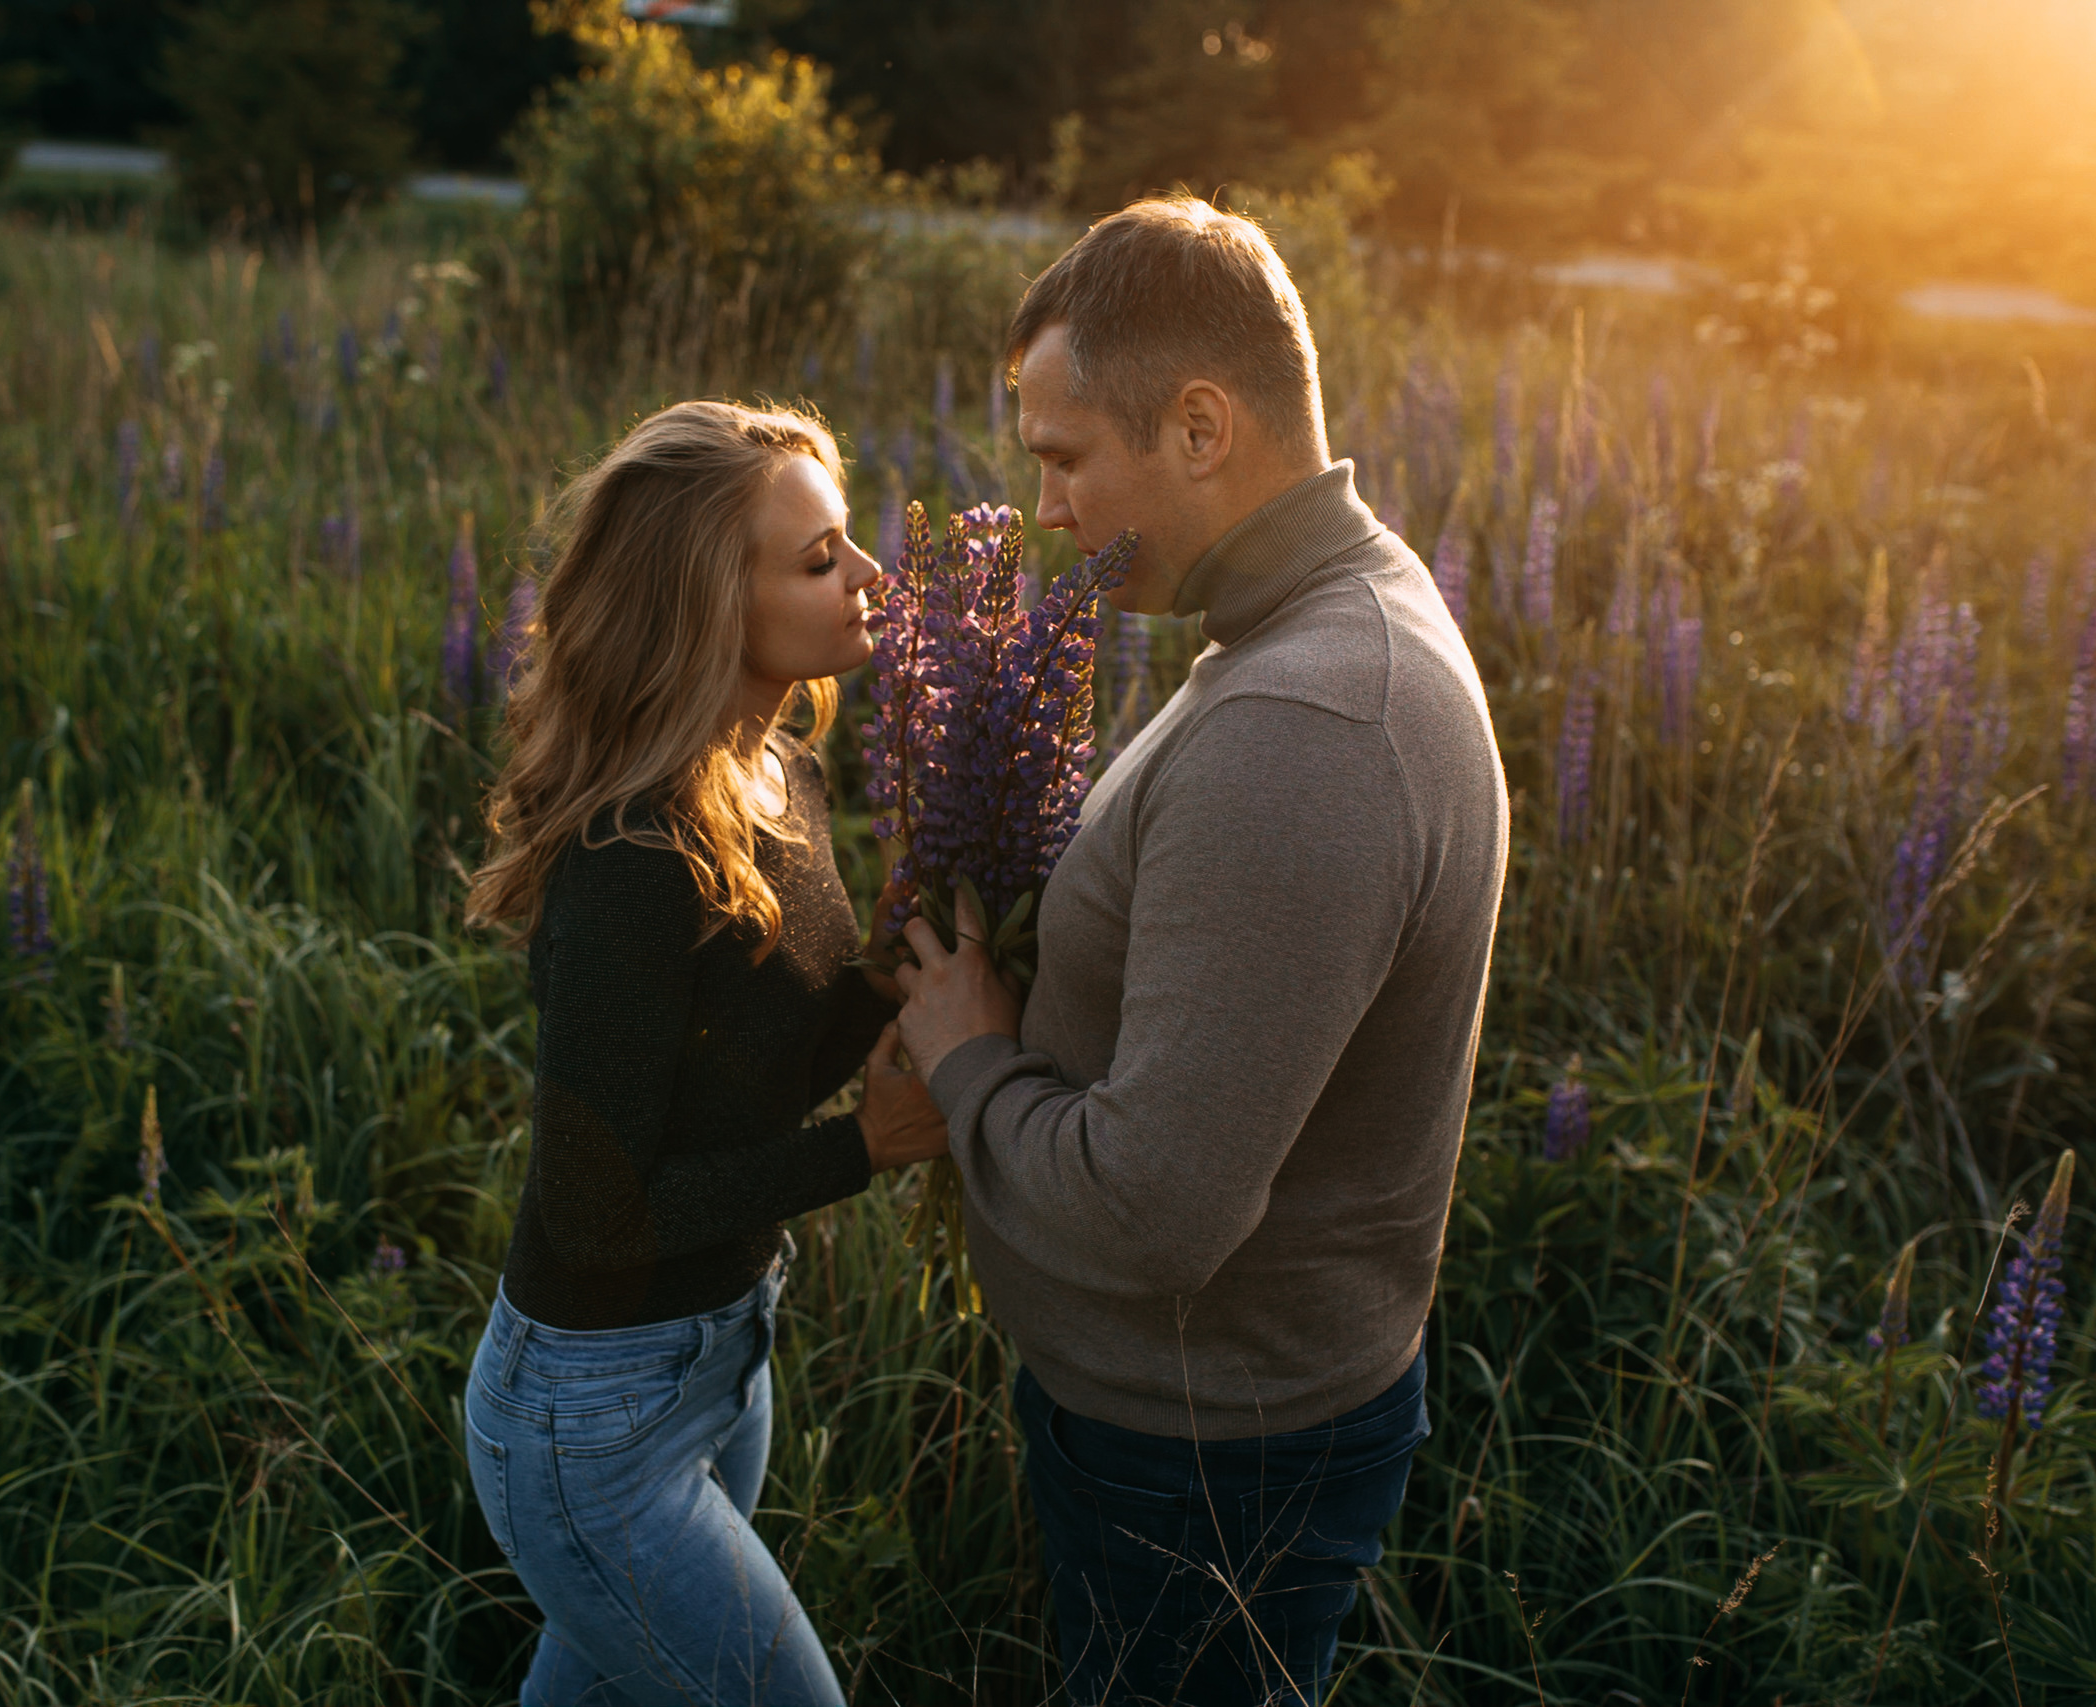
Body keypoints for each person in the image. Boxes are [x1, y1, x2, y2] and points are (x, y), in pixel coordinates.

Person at [892, 198, 1510, 1705]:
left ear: (1198, 425)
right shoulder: (1319, 620)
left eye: (1062, 456)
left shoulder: (1303, 724)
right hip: (1219, 1422)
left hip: (1203, 1460)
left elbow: (1160, 1208)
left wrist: (970, 1060)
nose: (1044, 508)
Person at [463, 399, 947, 1707]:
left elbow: (759, 1066)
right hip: (591, 1416)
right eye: (819, 559)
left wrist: (918, 939)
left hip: (722, 1360)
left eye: (845, 543)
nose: (869, 578)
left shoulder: (777, 775)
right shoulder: (633, 858)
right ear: (701, 608)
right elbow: (596, 1210)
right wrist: (864, 1149)